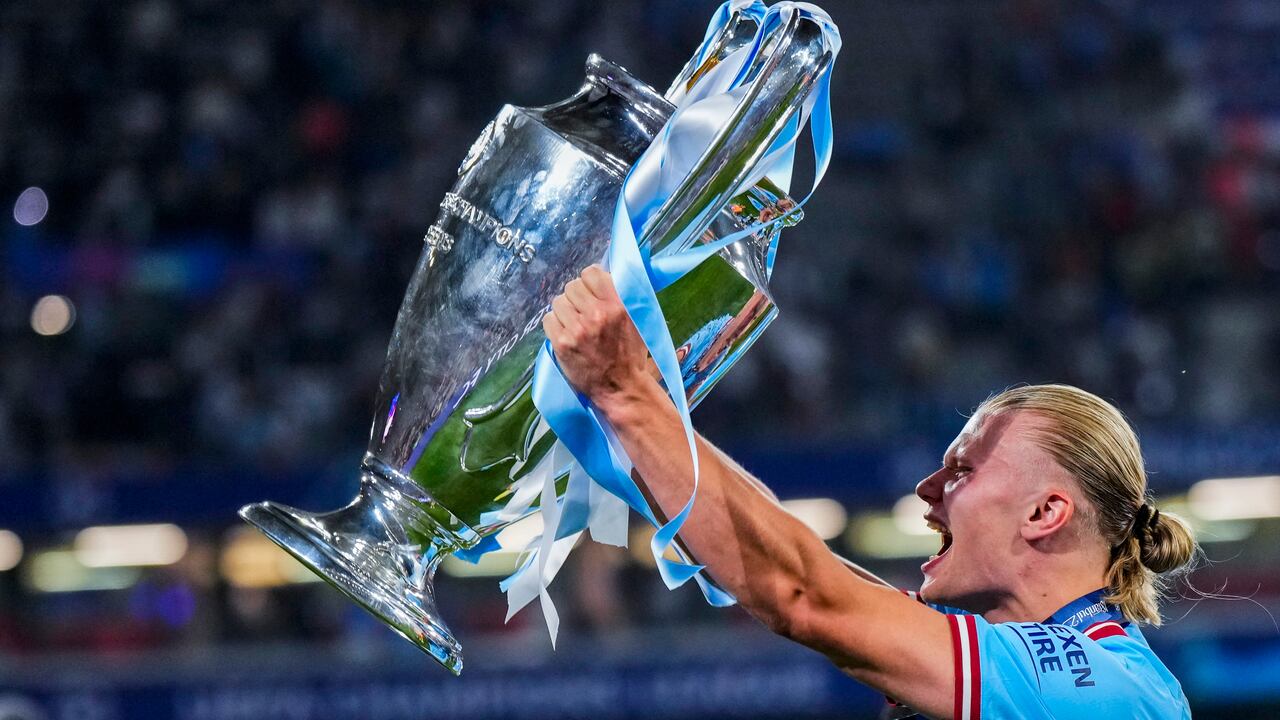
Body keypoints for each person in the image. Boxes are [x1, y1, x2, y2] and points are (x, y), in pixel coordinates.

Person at [543, 265, 1196, 719]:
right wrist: (648, 416)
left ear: (1046, 512)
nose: (926, 489)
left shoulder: (1107, 689)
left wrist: (628, 395)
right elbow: (808, 572)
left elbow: (803, 594)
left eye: (962, 472)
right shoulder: (1027, 665)